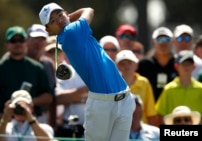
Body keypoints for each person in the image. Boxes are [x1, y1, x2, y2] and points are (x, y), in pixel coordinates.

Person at [39, 3, 135, 141]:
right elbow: (89, 10)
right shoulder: (71, 32)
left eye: (60, 15)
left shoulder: (74, 31)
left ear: (65, 13)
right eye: (53, 21)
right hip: (102, 104)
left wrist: (66, 17)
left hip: (124, 97)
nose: (59, 20)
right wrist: (68, 16)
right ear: (48, 29)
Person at [0, 26, 54, 124]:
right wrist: (1, 116)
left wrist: (26, 102)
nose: (18, 44)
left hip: (31, 121)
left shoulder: (37, 68)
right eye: (13, 40)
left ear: (26, 43)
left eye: (21, 40)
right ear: (7, 44)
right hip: (5, 122)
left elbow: (48, 96)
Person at [155, 50, 202, 125]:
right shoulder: (168, 89)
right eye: (183, 64)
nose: (186, 67)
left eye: (189, 64)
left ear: (194, 67)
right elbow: (160, 115)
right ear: (176, 66)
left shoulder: (200, 89)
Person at [116, 50, 157, 126]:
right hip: (119, 128)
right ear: (117, 66)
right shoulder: (113, 84)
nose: (126, 66)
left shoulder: (144, 83)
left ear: (136, 65)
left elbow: (150, 112)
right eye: (122, 64)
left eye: (129, 63)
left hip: (141, 129)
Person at [26, 24, 56, 126]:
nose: (38, 43)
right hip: (17, 117)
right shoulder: (18, 61)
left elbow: (51, 97)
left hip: (41, 118)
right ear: (27, 40)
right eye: (35, 39)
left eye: (42, 39)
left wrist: (53, 124)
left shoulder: (48, 64)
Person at [137, 27, 178, 102]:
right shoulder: (144, 64)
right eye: (159, 39)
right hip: (149, 111)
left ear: (172, 42)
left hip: (173, 111)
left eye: (167, 39)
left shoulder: (179, 64)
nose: (163, 43)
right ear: (153, 43)